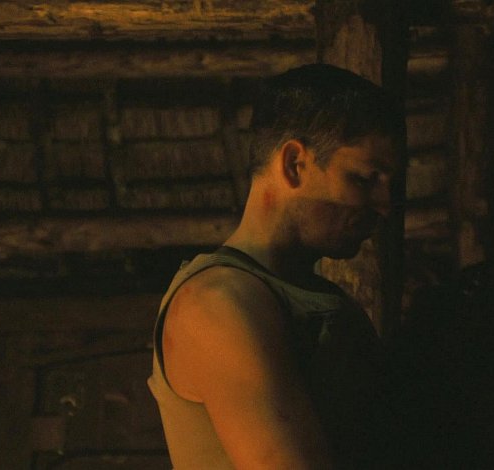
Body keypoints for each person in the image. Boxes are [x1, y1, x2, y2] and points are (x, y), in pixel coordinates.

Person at [147, 64, 403, 470]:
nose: (385, 205)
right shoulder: (216, 305)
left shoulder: (306, 297)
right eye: (364, 179)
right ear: (294, 163)